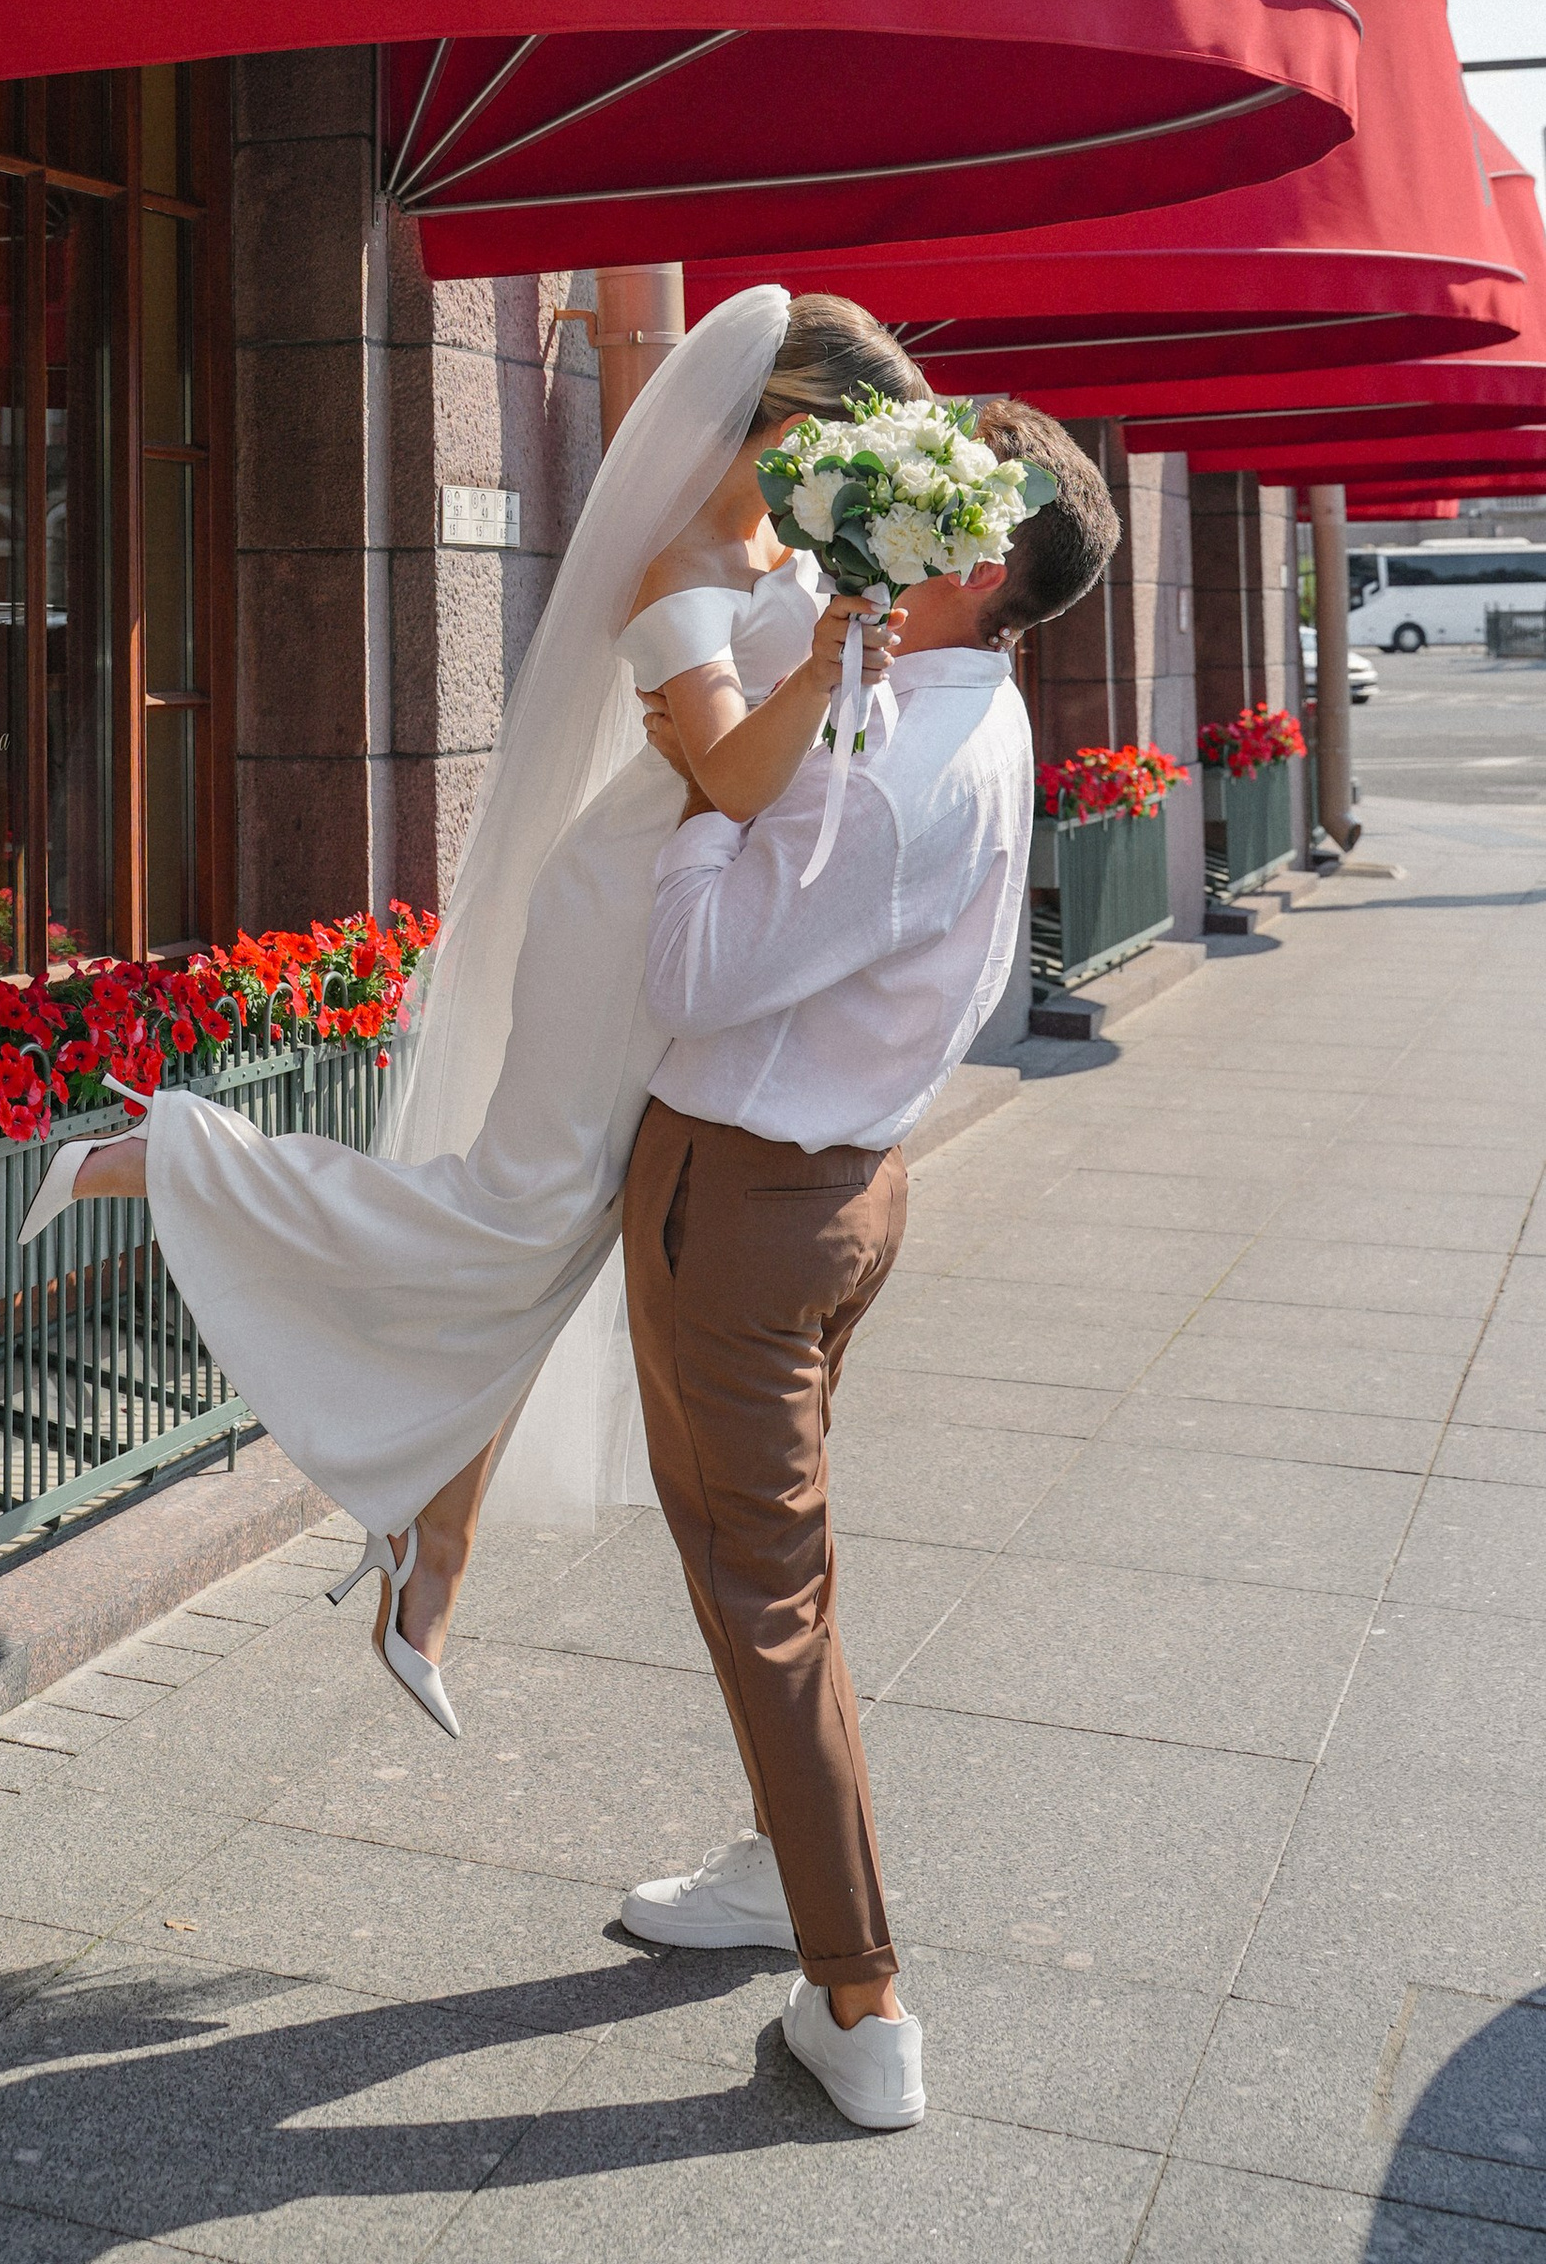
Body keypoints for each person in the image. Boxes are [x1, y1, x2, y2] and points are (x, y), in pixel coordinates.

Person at [16, 286, 927, 1735]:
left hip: (686, 921)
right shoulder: (682, 567)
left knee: (554, 1236)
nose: (859, 477)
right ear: (785, 419)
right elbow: (741, 781)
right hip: (621, 915)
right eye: (850, 442)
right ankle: (171, 1157)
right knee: (515, 1216)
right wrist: (825, 668)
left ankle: (429, 1545)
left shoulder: (784, 544)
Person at [616, 399, 1120, 2133]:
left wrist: (705, 790)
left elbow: (691, 968)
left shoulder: (896, 760)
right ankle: (783, 1867)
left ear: (973, 564)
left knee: (770, 1602)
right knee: (765, 1571)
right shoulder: (957, 711)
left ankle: (864, 1999)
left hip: (747, 1199)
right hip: (834, 1185)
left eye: (925, 493)